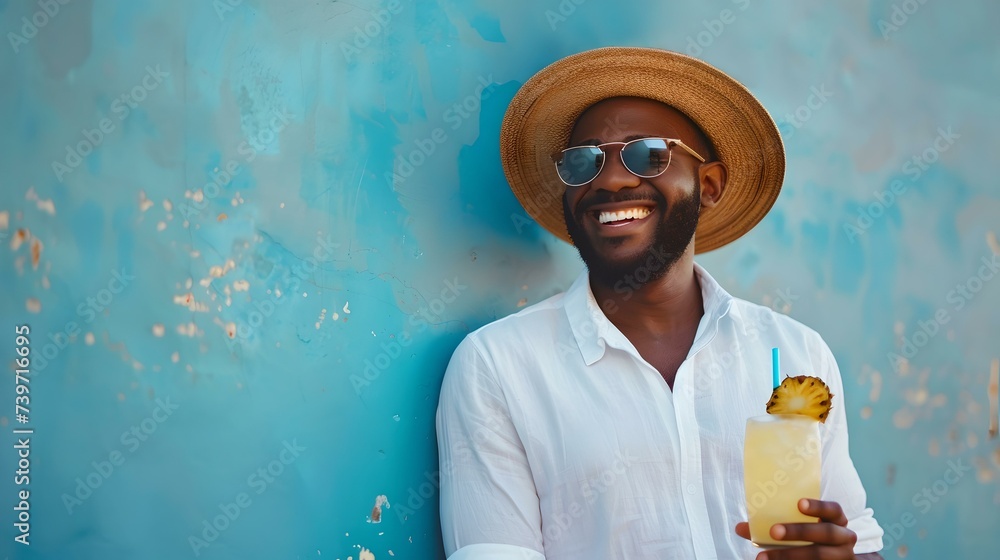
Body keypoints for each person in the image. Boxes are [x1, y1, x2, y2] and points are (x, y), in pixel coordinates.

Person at [435, 47, 884, 560]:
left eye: (648, 154)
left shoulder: (797, 354)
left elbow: (857, 540)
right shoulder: (498, 367)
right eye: (584, 162)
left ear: (708, 185)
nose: (610, 181)